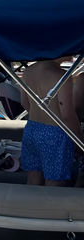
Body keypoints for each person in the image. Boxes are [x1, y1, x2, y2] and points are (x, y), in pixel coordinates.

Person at [20, 57, 83, 186]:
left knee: (33, 177)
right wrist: (79, 140)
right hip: (55, 134)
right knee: (55, 182)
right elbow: (67, 115)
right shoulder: (61, 75)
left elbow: (24, 103)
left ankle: (30, 206)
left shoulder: (28, 71)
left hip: (32, 129)